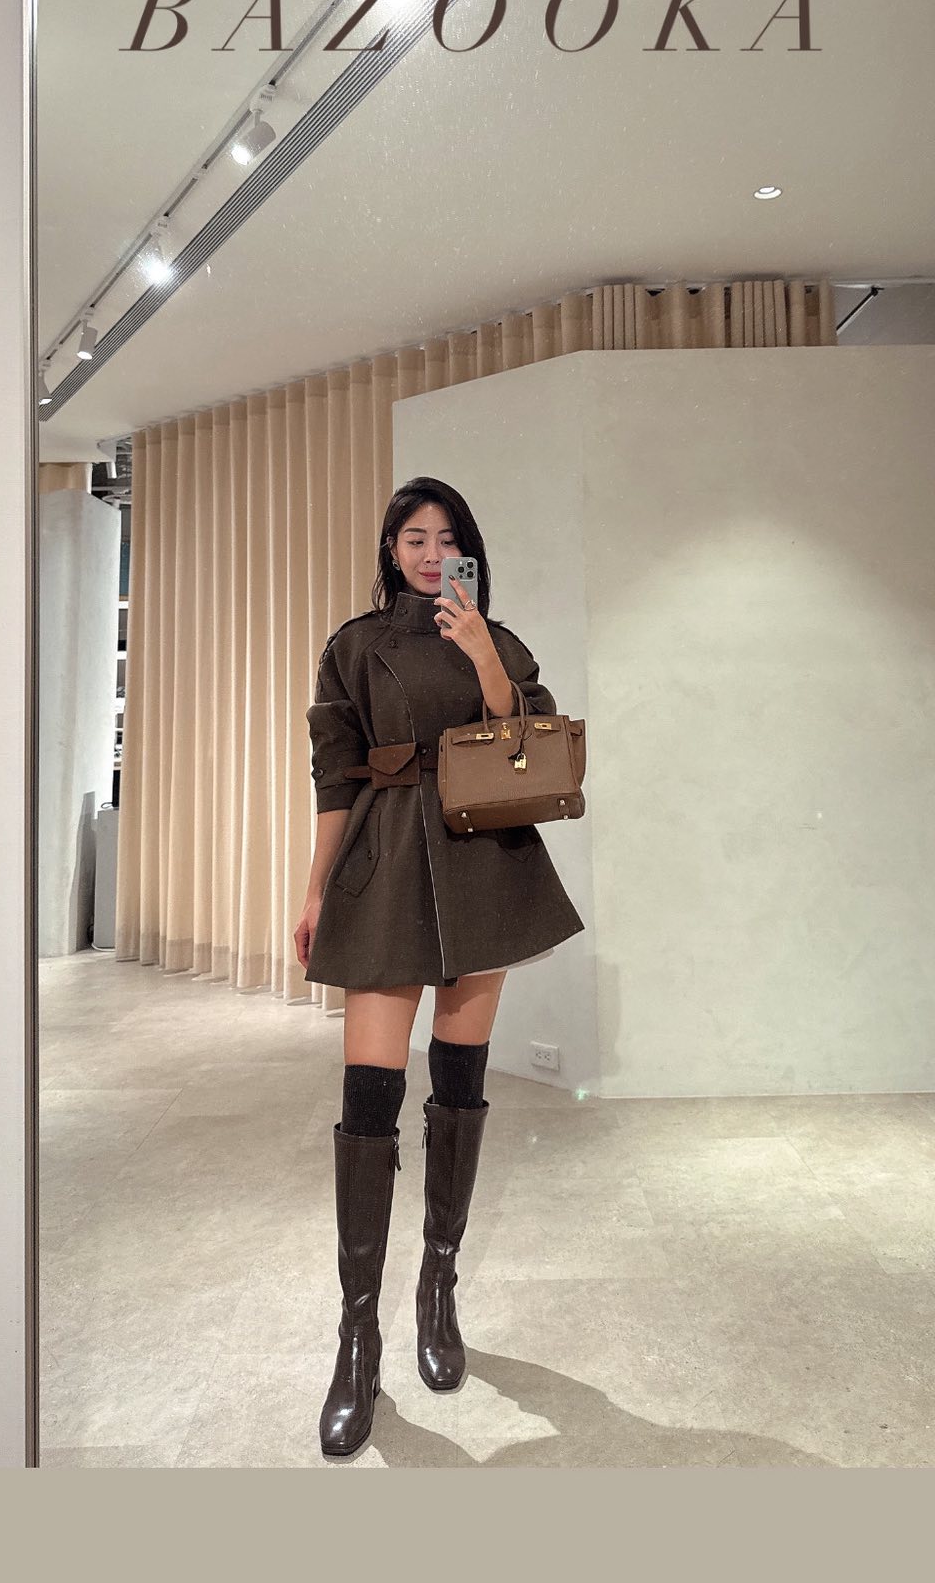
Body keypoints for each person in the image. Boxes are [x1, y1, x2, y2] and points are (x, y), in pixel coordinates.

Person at [295, 474, 586, 1458]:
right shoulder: (353, 645)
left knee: (458, 1086)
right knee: (368, 1098)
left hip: (482, 866)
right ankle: (356, 1337)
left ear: (467, 550)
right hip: (382, 862)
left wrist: (483, 656)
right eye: (413, 536)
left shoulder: (497, 641)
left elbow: (529, 737)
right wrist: (315, 889)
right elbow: (334, 777)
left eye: (446, 537)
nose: (429, 552)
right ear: (390, 548)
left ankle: (438, 1288)